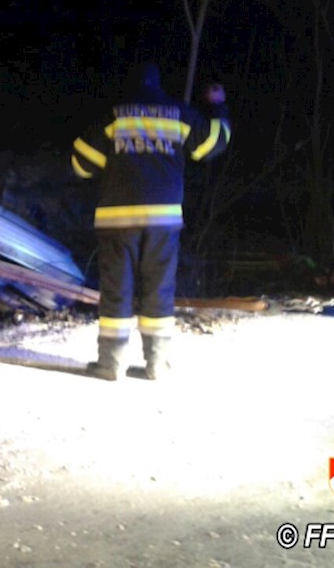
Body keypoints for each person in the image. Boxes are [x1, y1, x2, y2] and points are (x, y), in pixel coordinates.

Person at [70, 62, 231, 381]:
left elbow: (81, 164)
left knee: (117, 289)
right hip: (162, 221)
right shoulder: (178, 114)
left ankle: (111, 364)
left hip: (117, 221)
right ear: (159, 85)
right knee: (159, 288)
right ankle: (157, 364)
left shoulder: (114, 116)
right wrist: (218, 106)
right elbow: (214, 142)